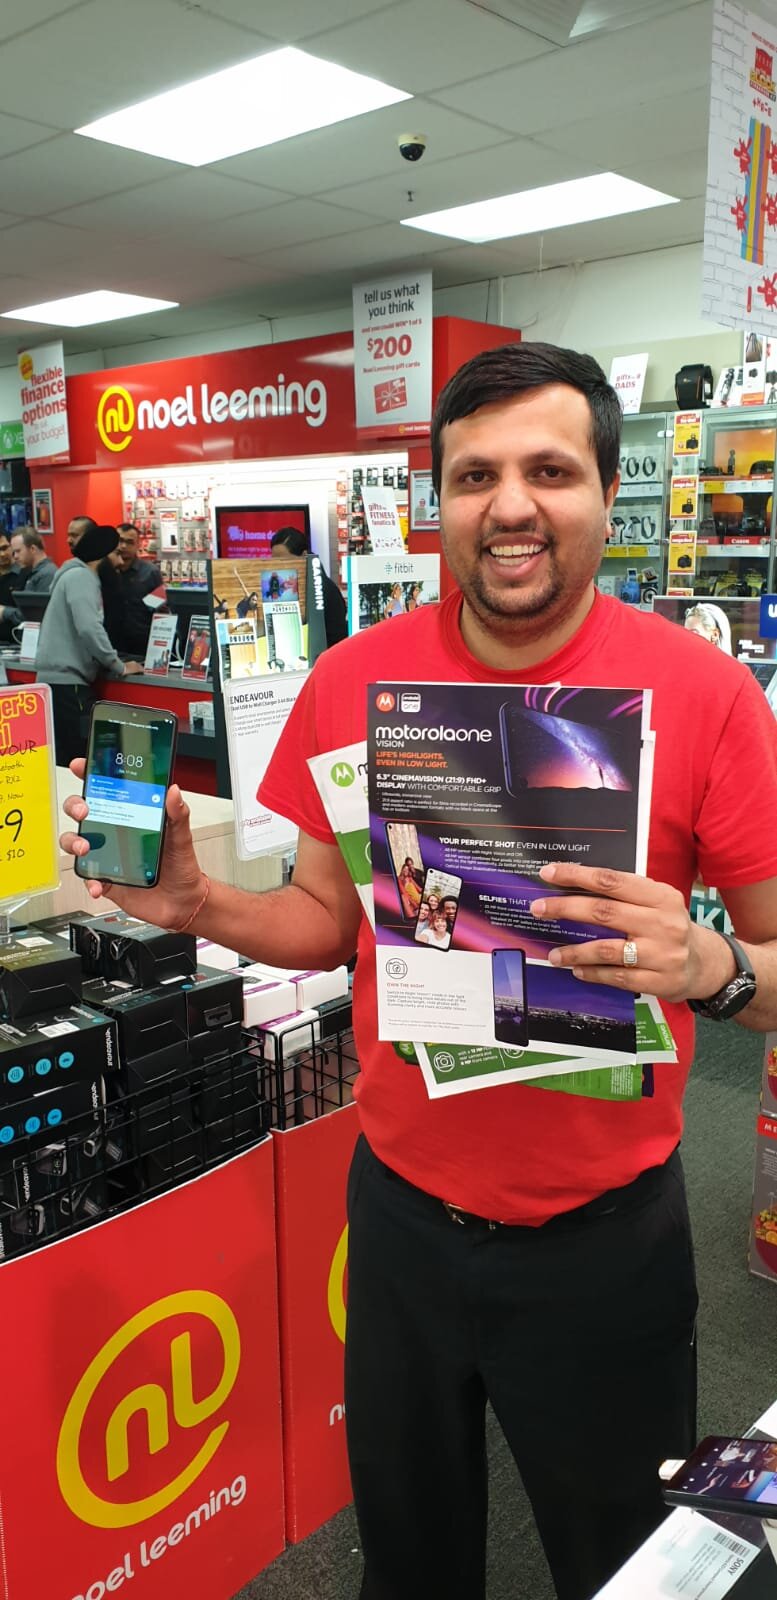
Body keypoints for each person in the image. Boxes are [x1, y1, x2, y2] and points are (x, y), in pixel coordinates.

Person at [60, 341, 777, 1600]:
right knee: (409, 1561)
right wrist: (198, 903)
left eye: (549, 469)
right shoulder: (351, 680)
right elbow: (322, 921)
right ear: (437, 499)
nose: (509, 505)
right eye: (474, 475)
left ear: (607, 489)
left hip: (605, 1238)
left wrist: (710, 962)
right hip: (399, 1219)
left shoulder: (707, 696)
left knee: (624, 1565)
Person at [37, 524, 142, 765]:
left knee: (63, 761)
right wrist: (119, 665)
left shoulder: (69, 575)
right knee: (79, 760)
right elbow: (89, 627)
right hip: (68, 686)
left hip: (55, 685)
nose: (119, 562)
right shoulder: (82, 577)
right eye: (115, 554)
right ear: (101, 555)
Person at [269, 526, 348, 647]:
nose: (278, 567)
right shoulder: (282, 587)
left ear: (304, 555)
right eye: (274, 561)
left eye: (284, 561)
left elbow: (337, 637)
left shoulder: (325, 589)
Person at [114, 523, 163, 655]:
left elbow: (160, 611)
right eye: (120, 541)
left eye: (129, 542)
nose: (123, 546)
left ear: (138, 545)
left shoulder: (150, 573)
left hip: (143, 644)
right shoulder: (106, 571)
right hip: (112, 644)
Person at [16, 527, 57, 592]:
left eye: (18, 551)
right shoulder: (31, 572)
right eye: (14, 552)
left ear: (32, 549)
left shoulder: (47, 574)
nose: (15, 556)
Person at [0, 531, 22, 639]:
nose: (2, 554)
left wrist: (5, 612)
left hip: (16, 641)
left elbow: (31, 616)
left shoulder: (24, 574)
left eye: (4, 548)